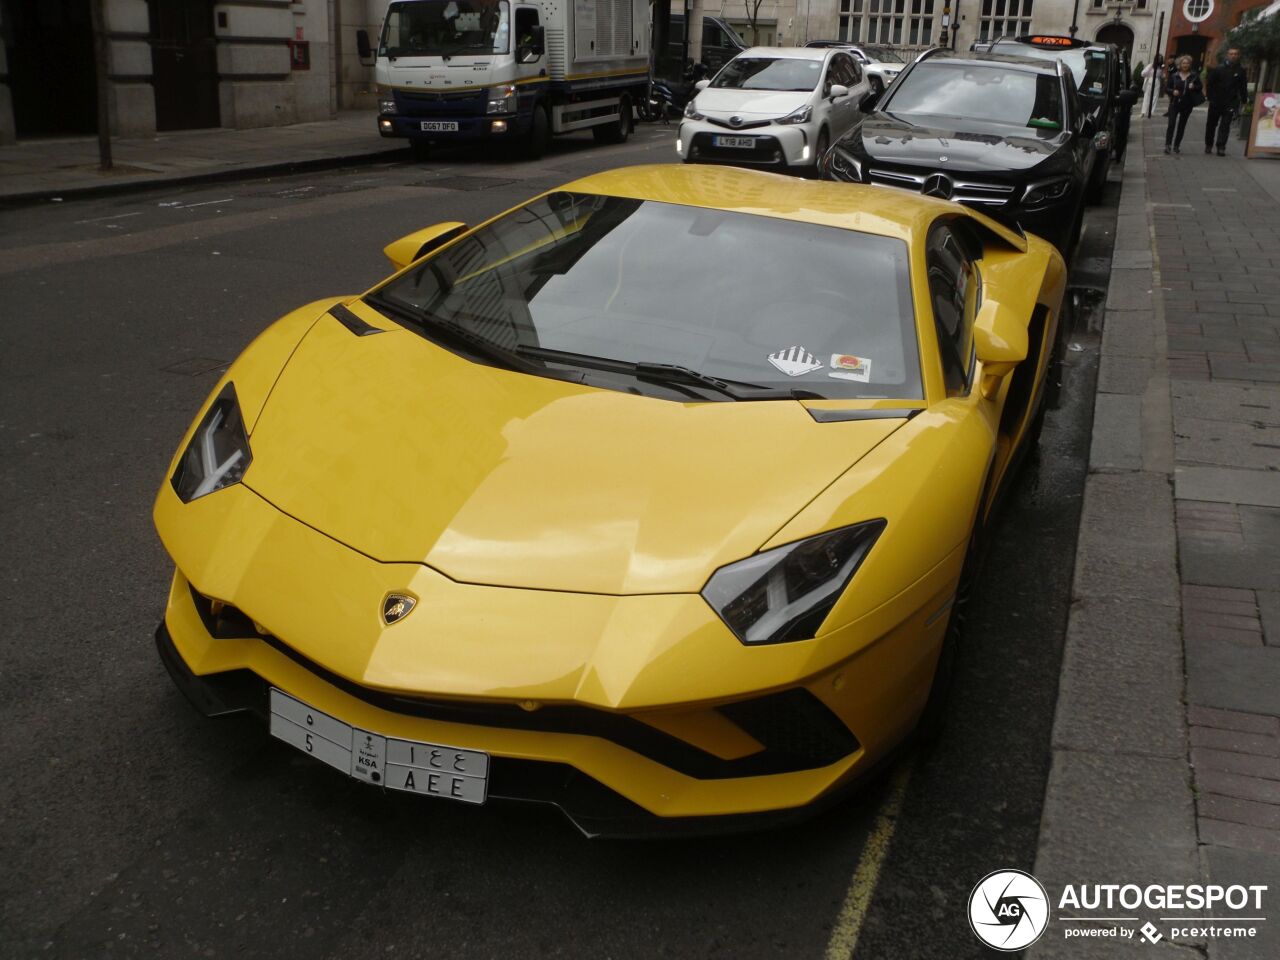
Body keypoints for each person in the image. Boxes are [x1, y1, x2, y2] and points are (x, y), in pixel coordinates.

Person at [1205, 47, 1249, 156]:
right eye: (1231, 54)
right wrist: (1210, 98)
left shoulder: (1241, 71)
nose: (1233, 55)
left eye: (1236, 54)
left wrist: (1244, 101)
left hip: (1230, 102)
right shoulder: (1218, 69)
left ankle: (1221, 146)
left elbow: (1243, 87)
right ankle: (1209, 144)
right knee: (1211, 124)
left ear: (1238, 56)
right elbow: (1210, 84)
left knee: (1225, 125)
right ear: (1227, 55)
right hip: (1216, 101)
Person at [1164, 55, 1203, 155]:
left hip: (1187, 104)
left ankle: (1176, 145)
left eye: (1187, 63)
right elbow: (1166, 88)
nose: (1185, 65)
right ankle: (1168, 145)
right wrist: (1172, 92)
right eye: (1183, 63)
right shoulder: (1174, 75)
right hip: (1174, 103)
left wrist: (1194, 86)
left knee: (1182, 125)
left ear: (1190, 65)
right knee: (1171, 124)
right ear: (1180, 64)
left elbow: (1200, 87)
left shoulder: (1194, 76)